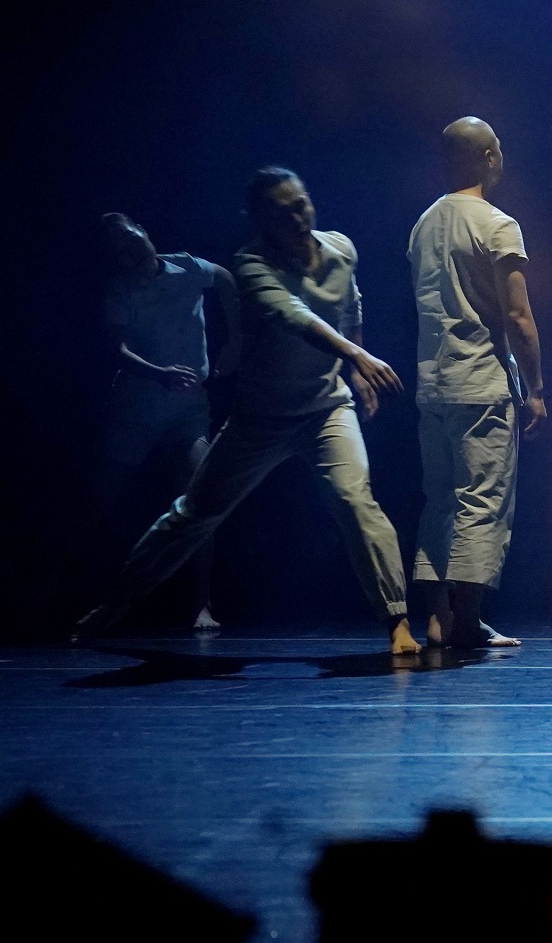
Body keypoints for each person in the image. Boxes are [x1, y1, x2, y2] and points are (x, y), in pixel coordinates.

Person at [75, 168, 418, 654]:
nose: (297, 218)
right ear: (260, 221)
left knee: (354, 501)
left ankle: (397, 621)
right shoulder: (250, 264)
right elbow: (294, 315)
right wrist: (356, 355)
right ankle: (119, 600)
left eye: (301, 205)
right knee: (194, 514)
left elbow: (350, 309)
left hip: (326, 410)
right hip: (261, 419)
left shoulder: (341, 249)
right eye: (282, 214)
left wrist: (354, 367)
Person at [408, 117, 546, 649]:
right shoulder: (497, 224)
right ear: (489, 157)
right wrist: (536, 388)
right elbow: (519, 316)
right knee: (481, 501)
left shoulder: (424, 224)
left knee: (439, 500)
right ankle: (467, 620)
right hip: (482, 381)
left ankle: (437, 616)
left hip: (433, 382)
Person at [94, 212, 237, 630]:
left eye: (132, 239)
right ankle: (65, 591)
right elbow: (116, 350)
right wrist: (159, 374)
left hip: (187, 411)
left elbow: (226, 279)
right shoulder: (119, 291)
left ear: (144, 231)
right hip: (135, 411)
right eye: (120, 251)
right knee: (99, 502)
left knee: (202, 499)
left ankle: (201, 605)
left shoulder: (186, 267)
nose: (131, 251)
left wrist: (237, 339)